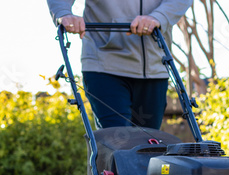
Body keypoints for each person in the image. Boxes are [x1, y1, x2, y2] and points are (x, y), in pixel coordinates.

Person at [47, 0, 192, 129]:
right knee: (116, 140)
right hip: (104, 62)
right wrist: (64, 13)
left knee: (149, 144)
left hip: (155, 66)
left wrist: (159, 16)